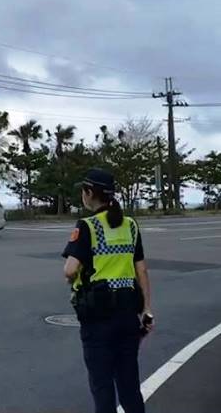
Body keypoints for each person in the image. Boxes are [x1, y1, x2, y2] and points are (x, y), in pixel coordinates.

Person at [62, 168, 153, 413]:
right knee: (129, 385)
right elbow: (141, 271)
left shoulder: (88, 226)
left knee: (102, 387)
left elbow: (70, 270)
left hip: (98, 317)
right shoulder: (130, 226)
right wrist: (147, 310)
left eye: (84, 191)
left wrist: (75, 280)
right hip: (127, 315)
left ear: (89, 193)